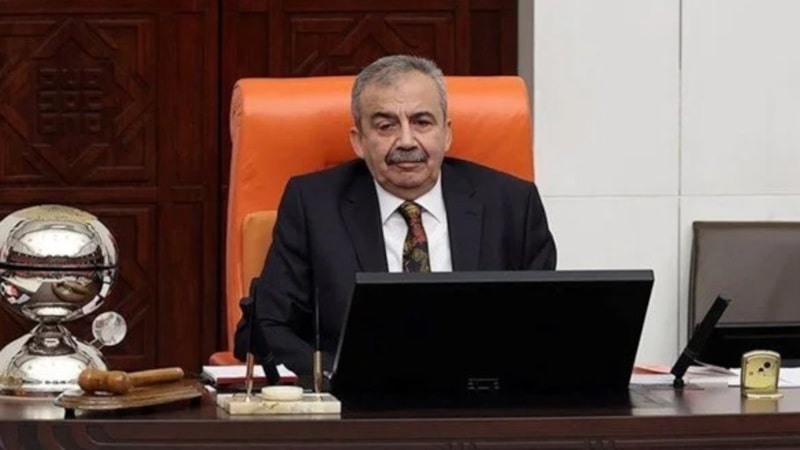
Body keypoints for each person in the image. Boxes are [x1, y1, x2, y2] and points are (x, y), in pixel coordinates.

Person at [234, 54, 557, 376]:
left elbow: (545, 323)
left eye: (422, 122)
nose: (406, 141)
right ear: (358, 141)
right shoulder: (313, 205)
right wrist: (345, 376)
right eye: (385, 126)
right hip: (358, 399)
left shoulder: (513, 204)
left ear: (446, 134)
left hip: (480, 394)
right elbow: (265, 328)